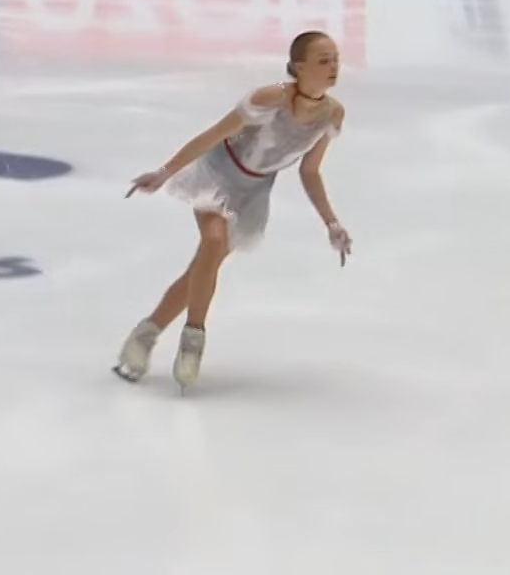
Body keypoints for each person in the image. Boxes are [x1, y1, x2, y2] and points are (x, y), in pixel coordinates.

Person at [114, 31, 352, 392]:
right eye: (323, 60)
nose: (333, 66)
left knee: (201, 270)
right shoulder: (269, 98)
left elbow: (310, 171)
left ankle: (145, 334)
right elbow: (212, 135)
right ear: (299, 67)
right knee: (212, 243)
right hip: (217, 173)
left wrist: (331, 223)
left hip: (254, 191)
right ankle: (193, 340)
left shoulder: (333, 114)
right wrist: (164, 172)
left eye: (335, 59)